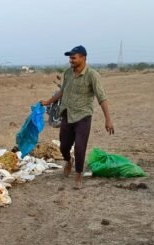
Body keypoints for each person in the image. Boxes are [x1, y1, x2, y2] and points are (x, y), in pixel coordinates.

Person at [40, 45, 114, 189]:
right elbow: (62, 91)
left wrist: (108, 119)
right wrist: (48, 101)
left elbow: (102, 98)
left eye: (73, 57)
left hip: (83, 116)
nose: (71, 60)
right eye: (70, 57)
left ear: (83, 58)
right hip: (67, 114)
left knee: (80, 147)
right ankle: (69, 160)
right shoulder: (67, 73)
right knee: (64, 147)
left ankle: (78, 175)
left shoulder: (92, 75)